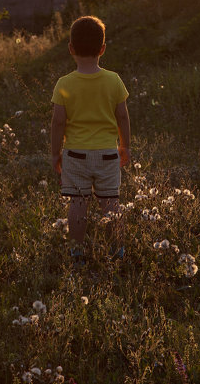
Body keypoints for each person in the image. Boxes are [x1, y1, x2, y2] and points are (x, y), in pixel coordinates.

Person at [51, 15, 131, 267]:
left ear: (71, 49)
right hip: (108, 152)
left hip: (75, 154)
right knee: (111, 202)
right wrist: (125, 146)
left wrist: (56, 153)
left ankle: (76, 253)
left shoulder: (64, 84)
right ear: (103, 49)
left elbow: (57, 122)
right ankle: (117, 251)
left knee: (78, 203)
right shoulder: (114, 80)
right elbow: (122, 116)